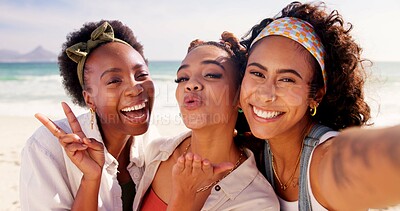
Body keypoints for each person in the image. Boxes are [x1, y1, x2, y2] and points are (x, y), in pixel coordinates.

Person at [238, 1, 400, 210]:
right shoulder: (254, 154)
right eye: (257, 73)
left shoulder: (327, 159)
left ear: (316, 94)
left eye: (287, 79)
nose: (265, 94)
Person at [20, 20, 159, 211]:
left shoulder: (153, 142)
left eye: (141, 75)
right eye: (114, 80)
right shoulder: (46, 148)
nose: (135, 89)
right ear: (89, 99)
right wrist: (91, 179)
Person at [134, 32, 279, 210]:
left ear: (240, 96)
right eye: (182, 78)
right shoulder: (156, 153)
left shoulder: (256, 202)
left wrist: (184, 194)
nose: (190, 84)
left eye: (210, 75)